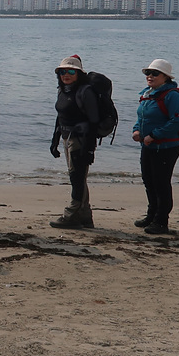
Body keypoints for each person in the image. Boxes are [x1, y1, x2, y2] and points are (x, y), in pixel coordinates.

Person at [132, 59, 179, 235]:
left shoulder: (172, 95)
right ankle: (151, 216)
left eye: (155, 73)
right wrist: (136, 130)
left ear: (166, 77)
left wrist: (154, 135)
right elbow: (141, 117)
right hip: (148, 146)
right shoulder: (148, 93)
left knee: (161, 184)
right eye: (148, 73)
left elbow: (176, 121)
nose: (150, 76)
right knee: (149, 181)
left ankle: (161, 222)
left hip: (166, 148)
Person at [48, 55, 99, 229]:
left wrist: (89, 149)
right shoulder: (63, 90)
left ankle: (71, 215)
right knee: (78, 178)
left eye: (71, 71)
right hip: (67, 138)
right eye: (62, 72)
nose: (66, 75)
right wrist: (54, 141)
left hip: (80, 140)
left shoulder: (86, 92)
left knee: (76, 178)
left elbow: (93, 121)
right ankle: (85, 216)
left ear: (79, 74)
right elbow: (60, 117)